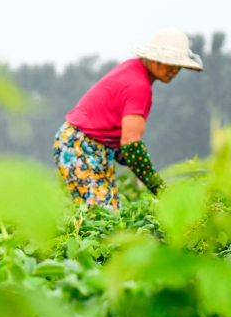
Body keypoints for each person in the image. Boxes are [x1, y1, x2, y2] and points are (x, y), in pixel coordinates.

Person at [53, 29, 203, 209]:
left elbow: (121, 140)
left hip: (90, 145)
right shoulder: (139, 86)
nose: (174, 70)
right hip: (81, 145)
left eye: (178, 65)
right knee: (103, 213)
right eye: (169, 62)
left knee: (109, 211)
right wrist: (159, 188)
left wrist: (137, 166)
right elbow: (131, 144)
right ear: (152, 58)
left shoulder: (134, 70)